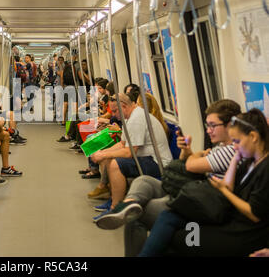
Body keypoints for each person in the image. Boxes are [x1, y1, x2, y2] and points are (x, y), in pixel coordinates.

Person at [94, 99, 242, 256]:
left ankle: (128, 211)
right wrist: (187, 150)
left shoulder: (231, 150)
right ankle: (126, 205)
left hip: (205, 201)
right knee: (143, 181)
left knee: (137, 214)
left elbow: (190, 166)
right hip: (198, 192)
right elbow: (189, 162)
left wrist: (198, 155)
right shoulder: (220, 146)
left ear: (230, 125)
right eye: (208, 126)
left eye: (213, 126)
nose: (208, 131)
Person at [138, 108, 269, 257]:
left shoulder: (265, 168)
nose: (235, 147)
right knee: (172, 217)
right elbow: (228, 186)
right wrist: (235, 160)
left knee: (179, 239)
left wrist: (225, 191)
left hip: (242, 234)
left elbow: (254, 213)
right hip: (228, 219)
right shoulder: (249, 162)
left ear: (253, 136)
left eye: (237, 142)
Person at [91, 94, 173, 220]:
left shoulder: (137, 119)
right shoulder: (129, 118)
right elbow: (122, 144)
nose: (113, 115)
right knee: (108, 158)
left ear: (123, 106)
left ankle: (115, 208)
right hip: (146, 158)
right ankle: (113, 197)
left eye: (115, 111)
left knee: (115, 164)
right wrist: (102, 152)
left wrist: (103, 154)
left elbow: (129, 152)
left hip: (159, 163)